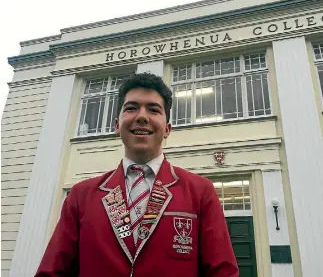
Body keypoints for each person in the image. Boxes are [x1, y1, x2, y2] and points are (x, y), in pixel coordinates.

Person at [35, 72, 239, 277]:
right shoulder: (81, 196)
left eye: (153, 109)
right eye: (131, 108)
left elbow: (222, 272)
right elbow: (52, 271)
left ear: (167, 129)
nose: (142, 116)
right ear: (116, 125)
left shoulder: (200, 191)